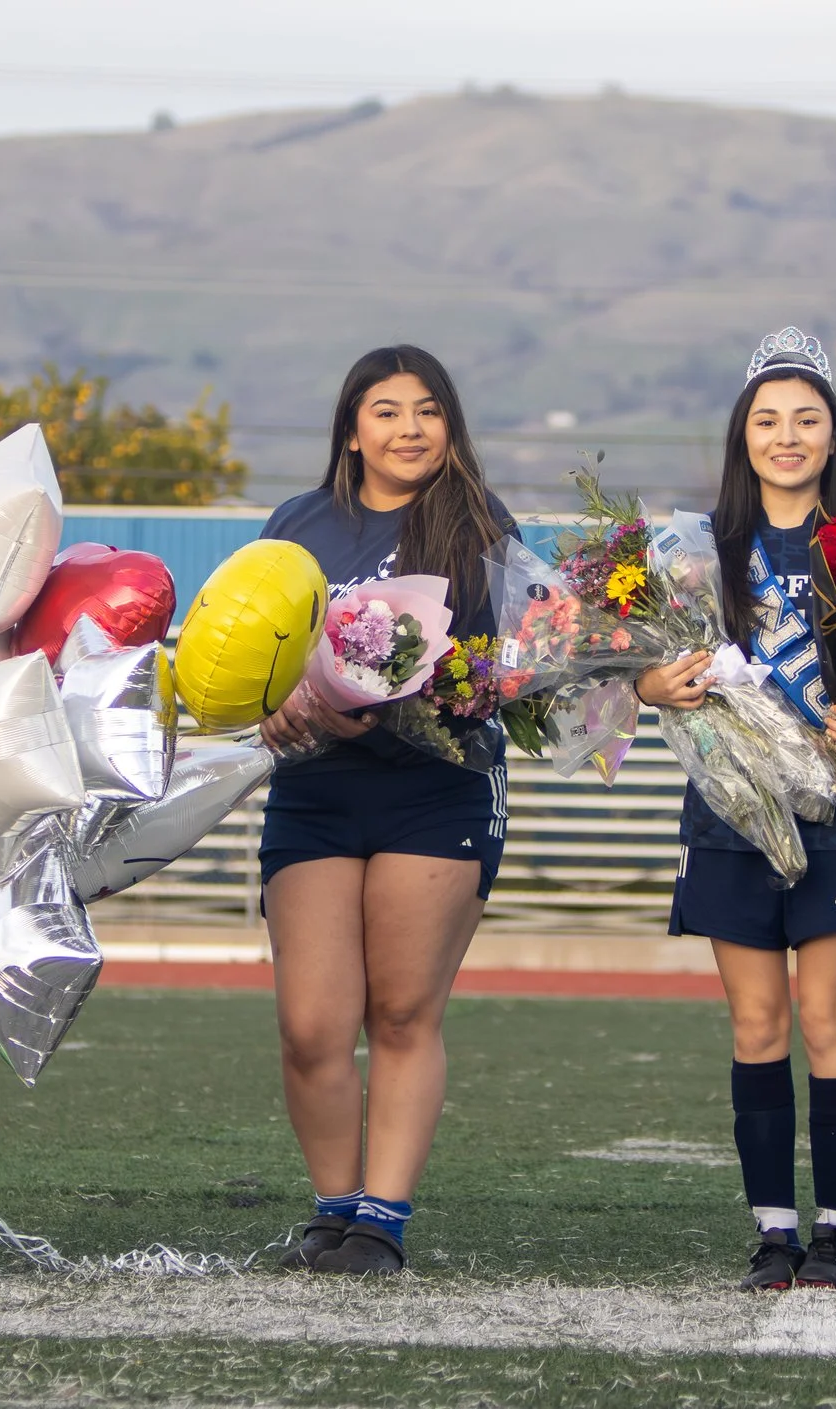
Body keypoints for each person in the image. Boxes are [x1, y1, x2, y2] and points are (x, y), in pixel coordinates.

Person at [633, 327, 836, 1292]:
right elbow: (637, 671)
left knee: (827, 1016)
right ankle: (773, 1231)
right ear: (742, 435)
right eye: (768, 419)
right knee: (756, 1023)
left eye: (806, 419)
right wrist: (650, 685)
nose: (787, 436)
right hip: (729, 810)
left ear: (834, 436)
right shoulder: (695, 549)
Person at [254, 345, 516, 1275]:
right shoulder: (297, 523)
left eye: (428, 411)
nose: (410, 429)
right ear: (353, 428)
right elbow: (248, 647)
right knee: (312, 1024)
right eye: (387, 411)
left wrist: (407, 699)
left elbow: (507, 674)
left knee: (403, 1012)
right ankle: (331, 1208)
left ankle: (381, 1223)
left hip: (434, 789)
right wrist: (272, 699)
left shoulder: (482, 527)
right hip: (316, 791)